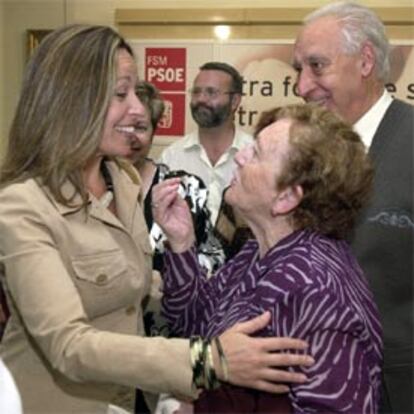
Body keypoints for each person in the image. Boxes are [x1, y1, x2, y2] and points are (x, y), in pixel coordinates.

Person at [0, 24, 314, 414]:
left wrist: (222, 292)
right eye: (120, 94)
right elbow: (69, 345)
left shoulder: (124, 180)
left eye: (136, 91)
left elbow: (136, 285)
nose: (137, 108)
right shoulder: (22, 206)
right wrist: (208, 358)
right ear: (72, 102)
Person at [152, 103, 383, 413]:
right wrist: (182, 244)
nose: (240, 156)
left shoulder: (317, 289)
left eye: (256, 153)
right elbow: (191, 322)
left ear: (286, 198)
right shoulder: (258, 251)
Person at [292, 2, 413, 412]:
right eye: (298, 70)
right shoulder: (302, 155)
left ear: (365, 61)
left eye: (317, 66)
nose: (303, 86)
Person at [130, 80, 225, 277]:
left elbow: (214, 261)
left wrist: (175, 273)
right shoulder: (88, 189)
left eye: (139, 127)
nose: (129, 136)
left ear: (154, 131)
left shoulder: (185, 189)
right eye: (120, 127)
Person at [159, 62, 253, 225]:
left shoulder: (254, 154)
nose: (201, 99)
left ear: (235, 101)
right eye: (196, 92)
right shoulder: (171, 157)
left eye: (211, 92)